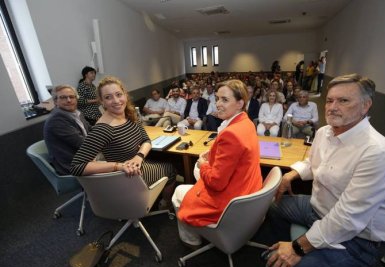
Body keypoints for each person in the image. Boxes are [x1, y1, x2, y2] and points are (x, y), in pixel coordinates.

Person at [264, 74, 385, 267]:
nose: (332, 107)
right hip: (319, 210)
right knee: (272, 202)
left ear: (365, 106)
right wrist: (291, 174)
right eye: (329, 100)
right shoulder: (324, 132)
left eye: (343, 100)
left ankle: (288, 253)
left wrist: (297, 248)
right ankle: (281, 245)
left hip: (359, 240)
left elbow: (347, 219)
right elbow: (314, 163)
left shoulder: (377, 152)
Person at [172, 79, 262, 247]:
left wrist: (203, 164)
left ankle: (192, 240)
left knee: (179, 190)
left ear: (240, 103)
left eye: (225, 100)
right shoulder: (246, 122)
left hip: (231, 200)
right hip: (248, 188)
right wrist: (214, 152)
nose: (218, 104)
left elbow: (217, 183)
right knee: (196, 171)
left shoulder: (231, 134)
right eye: (217, 98)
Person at [70, 76, 177, 209]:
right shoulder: (103, 128)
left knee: (167, 158)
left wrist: (139, 156)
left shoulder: (129, 116)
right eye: (108, 97)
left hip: (137, 166)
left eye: (118, 94)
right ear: (102, 102)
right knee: (171, 168)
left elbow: (146, 140)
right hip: (129, 177)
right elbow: (76, 166)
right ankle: (166, 205)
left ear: (125, 95)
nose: (116, 101)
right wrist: (118, 166)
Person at [44, 85, 91, 175]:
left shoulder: (76, 113)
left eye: (72, 97)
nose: (69, 100)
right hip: (73, 166)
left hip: (84, 157)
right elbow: (83, 144)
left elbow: (91, 130)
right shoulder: (57, 119)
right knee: (118, 165)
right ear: (55, 101)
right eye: (63, 98)